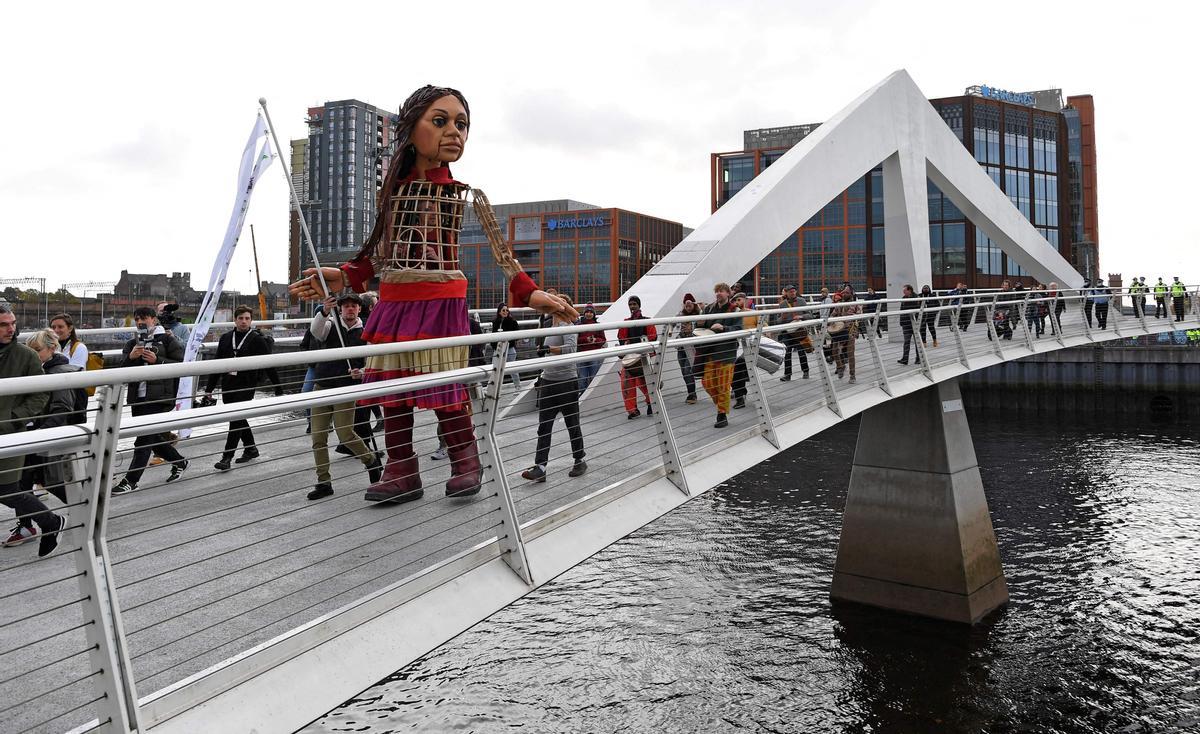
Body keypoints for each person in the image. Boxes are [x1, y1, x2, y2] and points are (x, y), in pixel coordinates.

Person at [289, 85, 576, 504]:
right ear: (412, 128)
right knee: (392, 390)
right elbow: (376, 256)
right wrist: (341, 275)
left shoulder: (462, 194)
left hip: (441, 303)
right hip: (393, 304)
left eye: (461, 124)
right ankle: (402, 470)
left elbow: (504, 256)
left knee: (446, 387)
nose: (454, 132)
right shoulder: (392, 195)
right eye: (440, 121)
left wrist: (532, 295)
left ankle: (465, 460)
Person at [304, 294, 383, 500]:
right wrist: (323, 312)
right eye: (346, 306)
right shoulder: (331, 325)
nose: (349, 309)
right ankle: (324, 482)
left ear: (359, 309)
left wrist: (362, 372)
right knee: (318, 437)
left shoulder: (365, 332)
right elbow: (316, 333)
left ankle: (371, 460)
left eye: (353, 306)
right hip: (322, 386)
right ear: (340, 309)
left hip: (346, 388)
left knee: (345, 434)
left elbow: (373, 361)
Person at [12, 330, 85, 543]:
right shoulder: (38, 370)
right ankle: (27, 525)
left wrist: (41, 433)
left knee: (47, 480)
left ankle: (85, 508)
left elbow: (62, 408)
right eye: (29, 350)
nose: (32, 354)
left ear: (52, 349)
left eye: (37, 350)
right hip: (34, 434)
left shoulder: (59, 373)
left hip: (46, 435)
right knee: (23, 480)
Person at [0, 307, 62, 557]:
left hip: (9, 431)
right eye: (4, 324)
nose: (11, 328)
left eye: (12, 323)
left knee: (6, 489)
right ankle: (49, 522)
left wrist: (15, 419)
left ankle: (50, 521)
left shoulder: (25, 356)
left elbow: (41, 393)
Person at [111, 307, 189, 495]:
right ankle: (179, 461)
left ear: (154, 320)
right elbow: (121, 370)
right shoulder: (132, 343)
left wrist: (158, 360)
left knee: (143, 440)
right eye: (137, 318)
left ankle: (131, 480)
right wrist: (131, 358)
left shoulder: (167, 339)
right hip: (138, 396)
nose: (140, 321)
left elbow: (181, 366)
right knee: (151, 437)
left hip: (160, 397)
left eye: (144, 318)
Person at [521, 296, 587, 483]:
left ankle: (580, 459)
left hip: (567, 382)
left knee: (572, 424)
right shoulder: (549, 327)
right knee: (544, 427)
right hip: (548, 381)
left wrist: (550, 348)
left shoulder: (569, 327)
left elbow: (571, 349)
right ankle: (540, 467)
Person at [203, 305, 271, 471]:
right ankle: (251, 448)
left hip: (246, 384)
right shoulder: (226, 338)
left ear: (251, 320)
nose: (244, 321)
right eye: (241, 318)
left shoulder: (256, 339)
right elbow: (217, 364)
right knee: (238, 418)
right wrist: (209, 389)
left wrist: (278, 388)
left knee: (236, 419)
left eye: (247, 318)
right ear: (235, 320)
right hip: (228, 383)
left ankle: (227, 457)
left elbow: (270, 364)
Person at [697, 283, 741, 428]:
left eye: (721, 291)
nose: (718, 293)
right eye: (716, 291)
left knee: (723, 385)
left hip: (726, 353)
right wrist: (700, 322)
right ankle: (722, 404)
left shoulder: (735, 310)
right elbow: (700, 327)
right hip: (710, 352)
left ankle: (721, 414)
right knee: (707, 383)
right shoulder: (709, 308)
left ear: (728, 293)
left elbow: (739, 329)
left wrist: (724, 328)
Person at [617, 295, 656, 418]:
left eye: (634, 304)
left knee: (645, 383)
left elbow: (653, 337)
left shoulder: (647, 321)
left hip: (643, 357)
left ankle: (651, 404)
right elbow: (621, 338)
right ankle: (632, 410)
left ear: (639, 305)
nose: (632, 306)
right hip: (630, 357)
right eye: (630, 304)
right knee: (627, 384)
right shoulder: (626, 322)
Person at [773, 285, 809, 381]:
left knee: (801, 351)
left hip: (799, 331)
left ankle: (806, 371)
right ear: (786, 293)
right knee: (787, 353)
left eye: (794, 291)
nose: (792, 293)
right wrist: (782, 318)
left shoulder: (802, 301)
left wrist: (800, 317)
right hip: (787, 331)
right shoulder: (782, 304)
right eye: (790, 292)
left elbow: (810, 315)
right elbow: (777, 321)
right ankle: (787, 374)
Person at [729, 292, 755, 409]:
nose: (737, 302)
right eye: (735, 301)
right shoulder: (732, 315)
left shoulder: (753, 313)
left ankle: (740, 396)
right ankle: (740, 394)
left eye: (739, 300)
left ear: (745, 300)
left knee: (737, 368)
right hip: (736, 346)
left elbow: (764, 325)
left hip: (750, 346)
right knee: (735, 369)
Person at [675, 294, 701, 403]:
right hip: (681, 346)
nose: (688, 306)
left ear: (693, 305)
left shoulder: (699, 316)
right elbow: (672, 324)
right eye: (686, 304)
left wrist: (692, 329)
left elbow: (701, 329)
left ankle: (692, 394)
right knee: (683, 371)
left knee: (687, 370)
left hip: (692, 347)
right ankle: (691, 392)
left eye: (690, 304)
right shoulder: (680, 315)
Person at [833, 286, 861, 384]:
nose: (844, 294)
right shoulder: (839, 304)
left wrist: (851, 319)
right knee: (834, 351)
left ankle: (852, 375)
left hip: (850, 329)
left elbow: (859, 316)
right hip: (839, 329)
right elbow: (833, 314)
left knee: (850, 353)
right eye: (843, 293)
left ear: (851, 294)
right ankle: (840, 366)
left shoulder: (856, 304)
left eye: (846, 293)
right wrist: (832, 321)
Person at [491, 304, 523, 388]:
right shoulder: (495, 322)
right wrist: (493, 345)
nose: (505, 312)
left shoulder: (512, 321)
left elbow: (517, 334)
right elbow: (493, 335)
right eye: (503, 310)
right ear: (499, 312)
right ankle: (494, 388)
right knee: (495, 368)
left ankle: (518, 386)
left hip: (509, 348)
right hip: (498, 349)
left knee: (512, 369)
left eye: (507, 310)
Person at [576, 305, 606, 392]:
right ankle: (582, 397)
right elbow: (575, 340)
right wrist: (586, 340)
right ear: (584, 313)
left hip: (594, 355)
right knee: (582, 379)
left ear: (593, 314)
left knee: (593, 378)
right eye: (587, 312)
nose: (589, 314)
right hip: (581, 355)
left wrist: (595, 340)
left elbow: (603, 340)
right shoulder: (579, 325)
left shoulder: (598, 326)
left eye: (590, 312)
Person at [896, 285, 921, 365]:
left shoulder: (917, 298)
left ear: (909, 290)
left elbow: (919, 311)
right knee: (906, 341)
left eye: (904, 290)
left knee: (917, 341)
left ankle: (918, 358)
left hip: (915, 323)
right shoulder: (903, 298)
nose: (903, 292)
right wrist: (901, 321)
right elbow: (902, 311)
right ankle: (905, 359)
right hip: (906, 323)